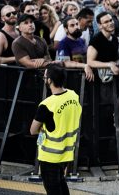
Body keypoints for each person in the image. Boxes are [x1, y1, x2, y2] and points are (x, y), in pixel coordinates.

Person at [30, 65, 82, 195]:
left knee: (54, 189)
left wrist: (42, 129)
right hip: (66, 153)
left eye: (45, 76)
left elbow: (33, 130)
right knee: (61, 184)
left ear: (50, 80)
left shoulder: (47, 105)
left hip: (50, 156)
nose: (44, 78)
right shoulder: (73, 96)